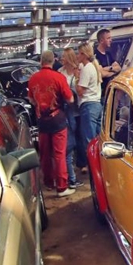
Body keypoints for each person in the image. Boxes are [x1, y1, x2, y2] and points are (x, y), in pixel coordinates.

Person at [28, 51, 75, 198]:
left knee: (45, 153)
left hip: (42, 120)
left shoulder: (33, 78)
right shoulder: (58, 77)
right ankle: (61, 187)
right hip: (58, 120)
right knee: (59, 154)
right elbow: (70, 99)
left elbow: (31, 100)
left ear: (41, 61)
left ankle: (48, 183)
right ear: (53, 61)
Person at [58, 48, 83, 189]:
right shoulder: (60, 72)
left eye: (63, 56)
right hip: (67, 110)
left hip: (78, 108)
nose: (61, 58)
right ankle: (72, 170)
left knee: (79, 138)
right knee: (71, 139)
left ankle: (79, 164)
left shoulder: (77, 70)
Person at [77, 43, 104, 160]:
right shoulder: (94, 66)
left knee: (89, 142)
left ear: (83, 54)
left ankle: (93, 171)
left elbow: (80, 91)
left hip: (88, 106)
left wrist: (77, 77)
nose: (77, 56)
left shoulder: (86, 68)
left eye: (78, 53)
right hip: (97, 104)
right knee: (98, 140)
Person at [94, 28, 122, 99]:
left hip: (111, 91)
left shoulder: (108, 54)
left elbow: (119, 68)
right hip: (102, 93)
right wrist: (113, 72)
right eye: (108, 38)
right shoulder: (95, 55)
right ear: (101, 40)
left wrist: (109, 68)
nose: (111, 40)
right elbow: (101, 74)